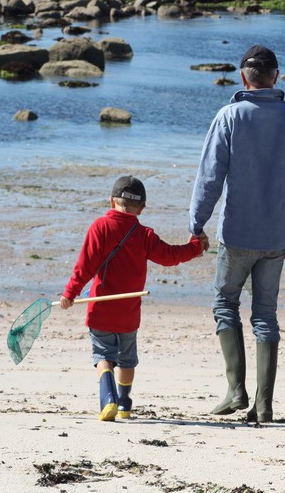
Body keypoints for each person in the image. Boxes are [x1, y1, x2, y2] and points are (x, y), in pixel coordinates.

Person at [189, 44, 285, 423]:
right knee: (266, 315)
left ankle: (236, 390)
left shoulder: (229, 116)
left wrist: (197, 225)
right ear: (275, 77)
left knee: (225, 304)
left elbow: (210, 178)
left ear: (244, 78)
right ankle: (264, 406)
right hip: (276, 239)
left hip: (236, 234)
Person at [60, 176, 205, 421]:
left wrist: (70, 293)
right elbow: (170, 256)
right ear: (142, 208)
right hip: (129, 311)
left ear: (110, 201)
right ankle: (125, 404)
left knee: (103, 357)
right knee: (127, 360)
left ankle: (108, 400)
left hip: (101, 308)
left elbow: (84, 266)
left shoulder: (100, 227)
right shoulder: (144, 234)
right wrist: (195, 247)